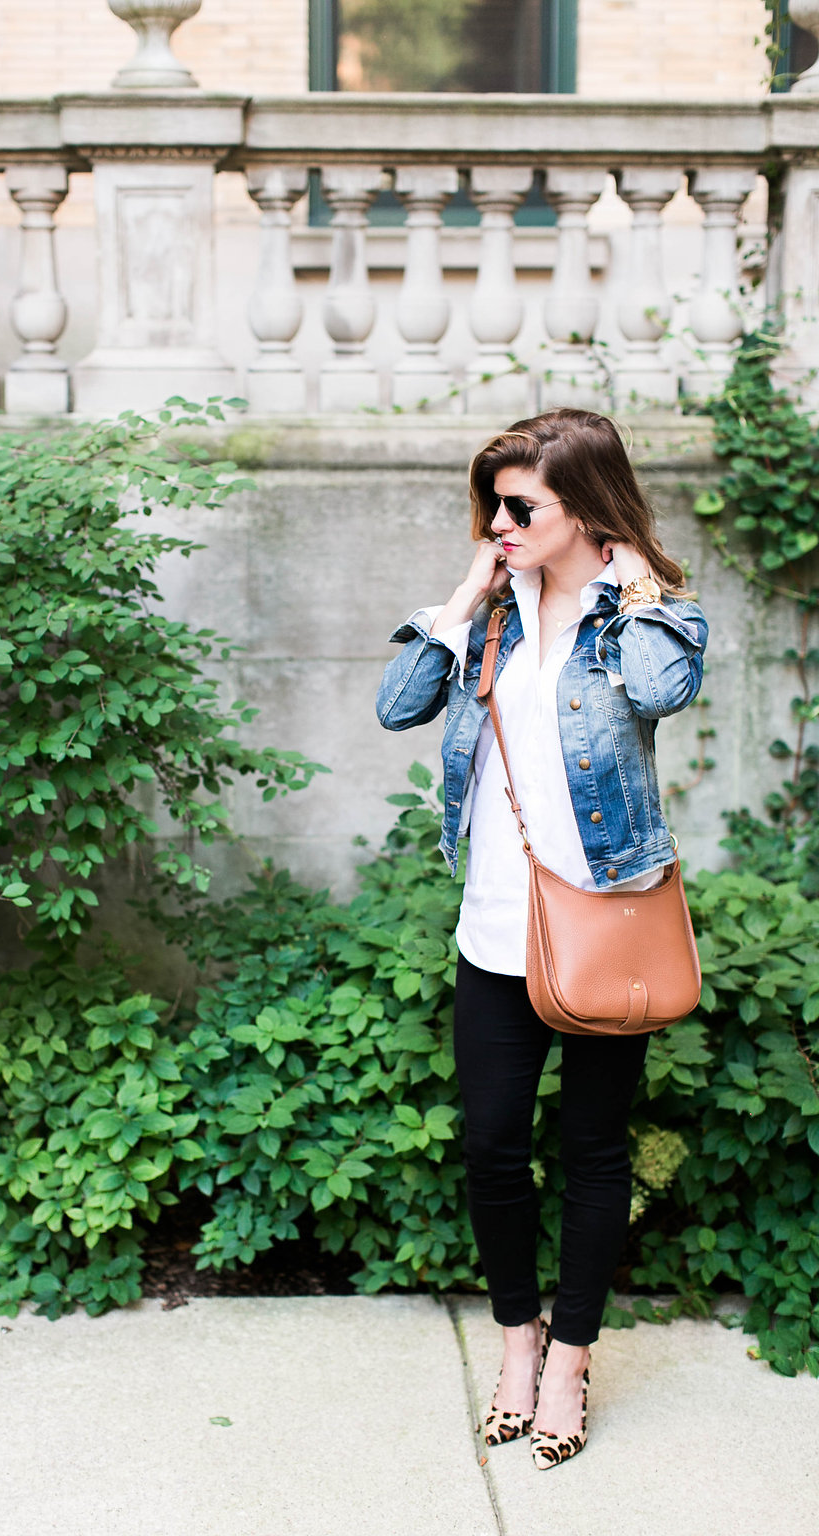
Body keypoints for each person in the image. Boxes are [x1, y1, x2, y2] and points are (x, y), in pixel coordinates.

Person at [375, 408, 707, 1469]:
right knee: (490, 1143)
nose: (499, 522)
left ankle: (570, 1356)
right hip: (494, 926)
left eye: (520, 507)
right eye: (491, 505)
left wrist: (630, 583)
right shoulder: (494, 614)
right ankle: (516, 1340)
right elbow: (396, 707)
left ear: (585, 508)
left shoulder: (646, 616)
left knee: (594, 1150)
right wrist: (471, 591)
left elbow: (661, 692)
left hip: (603, 920)